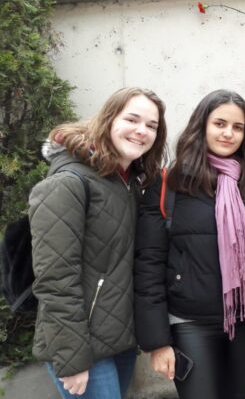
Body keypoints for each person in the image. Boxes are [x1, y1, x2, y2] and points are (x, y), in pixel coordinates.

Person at [29, 87, 167, 398]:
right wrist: (72, 358)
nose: (141, 131)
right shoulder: (68, 183)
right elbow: (55, 280)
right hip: (82, 346)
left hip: (119, 341)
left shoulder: (127, 182)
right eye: (132, 119)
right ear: (108, 119)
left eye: (152, 125)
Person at [134, 90, 245, 398]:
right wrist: (157, 341)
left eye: (238, 127)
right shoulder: (171, 181)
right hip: (189, 322)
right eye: (219, 123)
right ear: (202, 125)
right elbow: (149, 263)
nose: (228, 133)